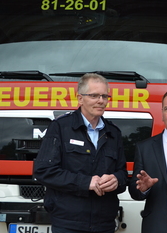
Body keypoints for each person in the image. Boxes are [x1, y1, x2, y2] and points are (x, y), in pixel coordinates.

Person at [33, 73, 128, 233]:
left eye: (105, 96)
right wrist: (85, 183)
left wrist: (116, 180)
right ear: (80, 98)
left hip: (104, 224)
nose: (101, 101)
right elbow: (43, 171)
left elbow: (123, 174)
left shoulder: (113, 133)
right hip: (68, 223)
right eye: (94, 95)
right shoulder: (60, 128)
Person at [129, 90, 167, 233]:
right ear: (162, 113)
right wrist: (143, 188)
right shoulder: (145, 147)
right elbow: (134, 192)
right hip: (157, 225)